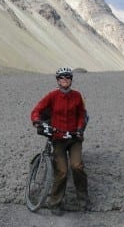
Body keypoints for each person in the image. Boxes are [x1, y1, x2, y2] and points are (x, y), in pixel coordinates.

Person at [30, 66, 90, 213]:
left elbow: (82, 115)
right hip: (58, 138)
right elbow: (36, 110)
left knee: (77, 166)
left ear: (71, 80)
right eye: (62, 78)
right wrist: (37, 121)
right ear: (58, 80)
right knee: (62, 171)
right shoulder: (52, 96)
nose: (65, 80)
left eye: (68, 77)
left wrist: (79, 129)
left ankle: (83, 200)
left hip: (74, 138)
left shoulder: (77, 96)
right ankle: (55, 203)